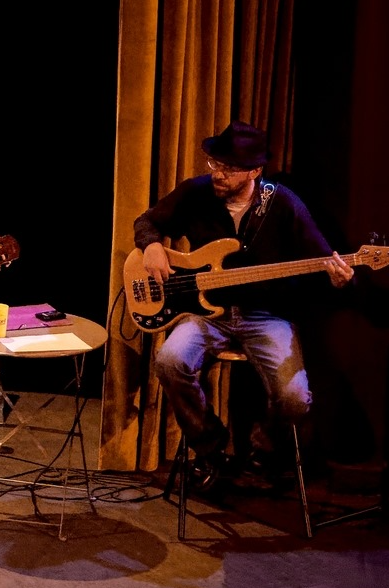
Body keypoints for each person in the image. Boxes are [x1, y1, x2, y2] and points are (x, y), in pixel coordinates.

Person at [131, 121, 354, 490]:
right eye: (214, 164)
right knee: (169, 361)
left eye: (229, 169)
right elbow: (147, 221)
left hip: (264, 316)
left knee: (295, 398)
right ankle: (211, 448)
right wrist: (152, 245)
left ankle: (261, 449)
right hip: (205, 316)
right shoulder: (197, 192)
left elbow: (321, 259)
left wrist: (340, 277)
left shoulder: (283, 204)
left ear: (255, 171)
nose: (217, 174)